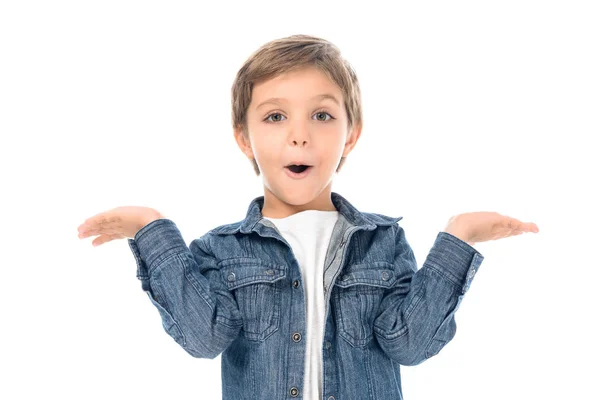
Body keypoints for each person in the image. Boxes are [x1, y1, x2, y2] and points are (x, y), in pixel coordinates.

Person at [77, 34, 539, 400]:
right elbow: (203, 338)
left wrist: (458, 239)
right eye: (275, 117)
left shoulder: (383, 241)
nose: (299, 136)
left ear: (350, 135)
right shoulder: (220, 249)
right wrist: (152, 230)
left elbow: (410, 345)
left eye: (321, 115)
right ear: (244, 138)